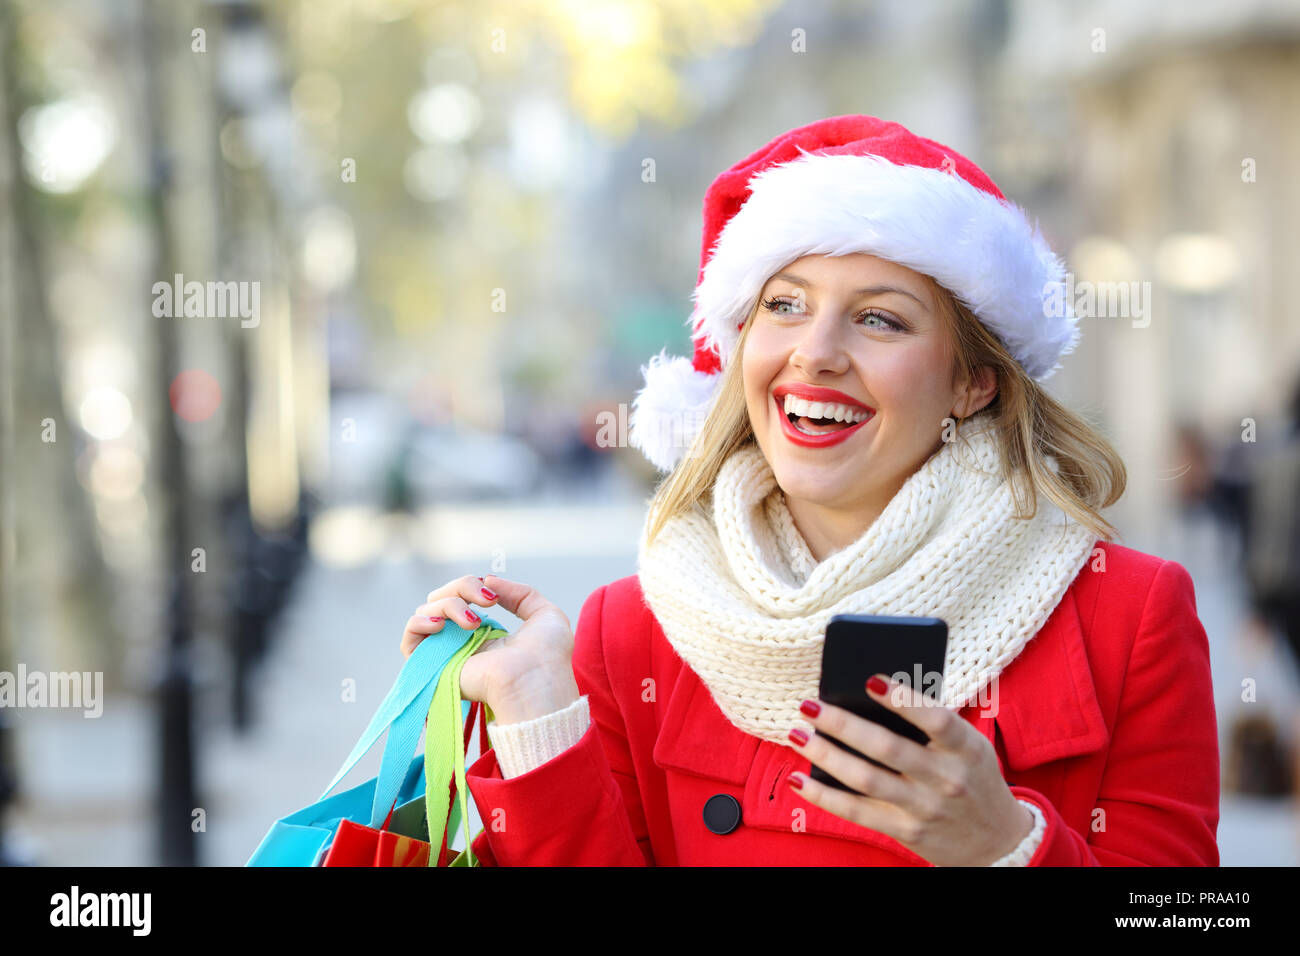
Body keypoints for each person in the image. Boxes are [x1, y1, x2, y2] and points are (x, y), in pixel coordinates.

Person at [399, 115, 1220, 866]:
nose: (815, 352)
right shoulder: (633, 631)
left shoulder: (1128, 615)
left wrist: (1007, 846)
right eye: (784, 306)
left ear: (974, 383)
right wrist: (538, 712)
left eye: (880, 320)